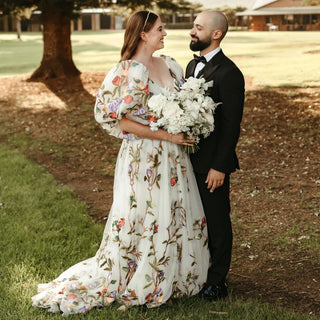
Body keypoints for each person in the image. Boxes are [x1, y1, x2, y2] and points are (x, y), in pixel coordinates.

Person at [31, 11, 209, 316]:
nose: (164, 34)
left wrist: (188, 121)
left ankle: (178, 274)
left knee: (174, 209)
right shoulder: (128, 71)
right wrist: (168, 135)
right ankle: (143, 273)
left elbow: (182, 102)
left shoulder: (170, 64)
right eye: (159, 29)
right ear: (142, 34)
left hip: (174, 156)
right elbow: (119, 120)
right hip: (146, 156)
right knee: (145, 212)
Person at [186, 10, 245, 301]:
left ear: (216, 34)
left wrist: (219, 167)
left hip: (212, 165)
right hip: (187, 160)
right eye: (193, 27)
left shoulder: (229, 73)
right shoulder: (190, 66)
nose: (191, 32)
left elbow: (232, 126)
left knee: (217, 221)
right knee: (193, 219)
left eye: (198, 27)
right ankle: (195, 271)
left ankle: (218, 281)